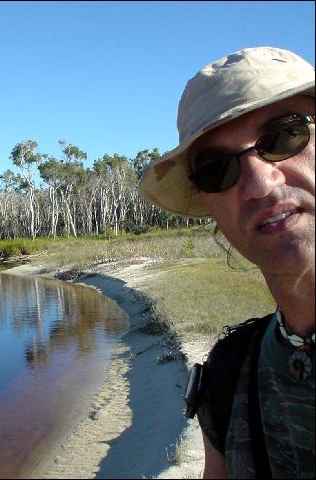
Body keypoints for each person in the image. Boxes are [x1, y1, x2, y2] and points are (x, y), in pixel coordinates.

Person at [138, 46, 314, 478]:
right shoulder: (230, 373)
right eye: (217, 170)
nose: (258, 183)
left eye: (284, 136)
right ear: (209, 206)